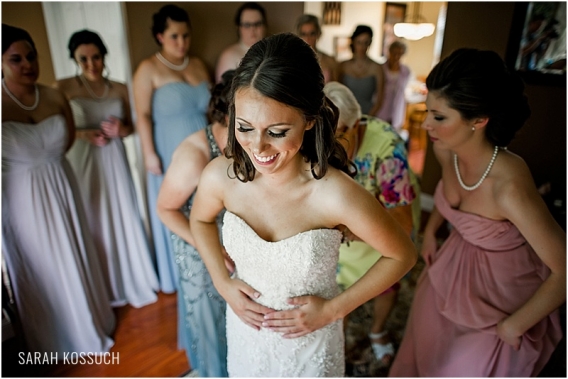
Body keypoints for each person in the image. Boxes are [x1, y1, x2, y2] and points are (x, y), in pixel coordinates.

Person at [189, 32, 417, 377]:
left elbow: (403, 254)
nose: (258, 148)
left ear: (310, 120)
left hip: (310, 347)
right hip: (246, 337)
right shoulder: (220, 177)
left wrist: (334, 310)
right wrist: (222, 282)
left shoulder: (335, 193)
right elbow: (200, 222)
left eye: (277, 132)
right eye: (245, 127)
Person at [389, 48, 565, 377]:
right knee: (425, 347)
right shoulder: (445, 149)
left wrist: (514, 326)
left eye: (439, 117)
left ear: (479, 121)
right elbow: (449, 194)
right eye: (428, 110)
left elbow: (565, 269)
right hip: (452, 262)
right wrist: (430, 232)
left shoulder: (509, 187)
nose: (426, 124)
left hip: (501, 293)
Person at [2, 23, 115, 354]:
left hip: (62, 184)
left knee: (75, 250)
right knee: (40, 264)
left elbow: (65, 141)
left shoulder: (53, 95)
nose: (27, 65)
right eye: (15, 59)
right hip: (20, 197)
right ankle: (54, 337)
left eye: (31, 56)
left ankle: (88, 322)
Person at [55, 29, 159, 308]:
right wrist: (83, 134)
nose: (91, 64)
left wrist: (122, 128)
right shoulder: (63, 88)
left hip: (114, 159)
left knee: (122, 212)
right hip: (84, 161)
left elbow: (134, 126)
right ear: (74, 59)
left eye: (96, 57)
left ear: (104, 56)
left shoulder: (120, 88)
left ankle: (131, 278)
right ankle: (101, 286)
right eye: (84, 59)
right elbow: (56, 129)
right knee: (93, 219)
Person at [324, 81, 420, 367]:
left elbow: (401, 225)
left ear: (354, 126)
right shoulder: (320, 138)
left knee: (385, 286)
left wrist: (347, 228)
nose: (326, 144)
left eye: (336, 135)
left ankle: (377, 331)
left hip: (381, 231)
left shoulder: (387, 149)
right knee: (336, 298)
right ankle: (335, 344)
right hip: (341, 233)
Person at [156, 70, 235, 377]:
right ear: (227, 114)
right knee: (208, 322)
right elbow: (165, 209)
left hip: (230, 241)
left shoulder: (246, 143)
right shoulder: (194, 156)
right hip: (196, 245)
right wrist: (210, 249)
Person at [133, 4, 211, 294]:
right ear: (160, 37)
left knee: (206, 207)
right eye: (175, 36)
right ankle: (181, 277)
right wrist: (149, 154)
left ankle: (211, 264)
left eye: (186, 36)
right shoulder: (148, 69)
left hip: (205, 148)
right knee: (176, 209)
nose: (182, 43)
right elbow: (141, 115)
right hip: (169, 150)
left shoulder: (199, 65)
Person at [215, 2, 267, 83]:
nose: (252, 29)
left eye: (257, 24)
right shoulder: (229, 56)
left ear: (264, 26)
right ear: (238, 28)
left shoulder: (273, 51)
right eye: (247, 25)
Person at [339, 25, 384, 116]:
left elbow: (379, 100)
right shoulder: (342, 66)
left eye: (366, 42)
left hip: (368, 115)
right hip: (345, 115)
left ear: (370, 43)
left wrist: (366, 119)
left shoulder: (377, 68)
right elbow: (338, 95)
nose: (362, 47)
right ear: (353, 42)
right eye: (359, 42)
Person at [376, 40, 411, 137]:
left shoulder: (406, 71)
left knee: (392, 137)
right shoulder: (380, 68)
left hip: (397, 108)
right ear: (389, 52)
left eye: (399, 54)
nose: (396, 57)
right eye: (394, 53)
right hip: (381, 107)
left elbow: (402, 91)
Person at [295, 14, 338, 83]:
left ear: (318, 34)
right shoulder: (292, 60)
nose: (308, 38)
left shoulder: (330, 61)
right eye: (304, 34)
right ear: (299, 36)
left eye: (312, 34)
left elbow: (337, 89)